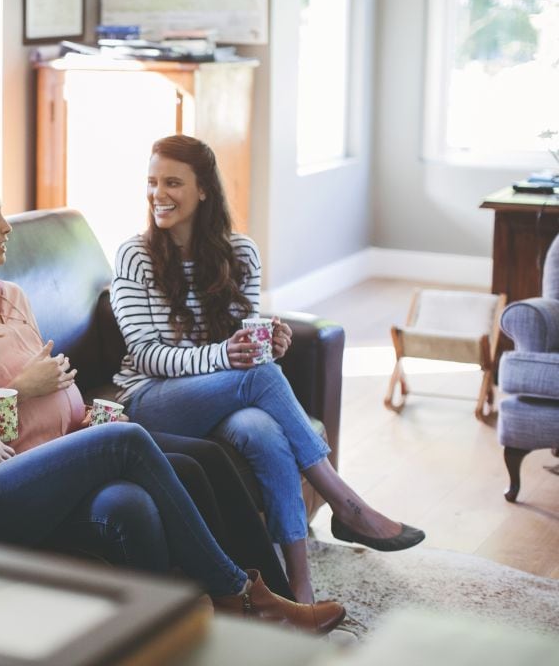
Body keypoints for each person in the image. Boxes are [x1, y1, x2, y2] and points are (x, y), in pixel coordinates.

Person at [0, 169, 343, 632]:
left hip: (71, 438)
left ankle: (276, 604)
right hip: (15, 466)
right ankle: (234, 598)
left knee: (201, 459)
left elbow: (54, 382)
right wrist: (22, 388)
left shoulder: (11, 296)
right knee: (129, 471)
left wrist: (84, 414)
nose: (7, 226)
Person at [110, 134, 425, 604]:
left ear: (203, 191)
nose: (159, 193)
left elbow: (244, 347)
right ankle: (343, 500)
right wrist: (228, 358)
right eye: (153, 181)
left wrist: (268, 345)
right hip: (150, 398)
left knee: (265, 433)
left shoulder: (241, 254)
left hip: (218, 395)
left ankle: (296, 587)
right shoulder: (135, 256)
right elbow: (147, 354)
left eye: (173, 182)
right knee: (256, 379)